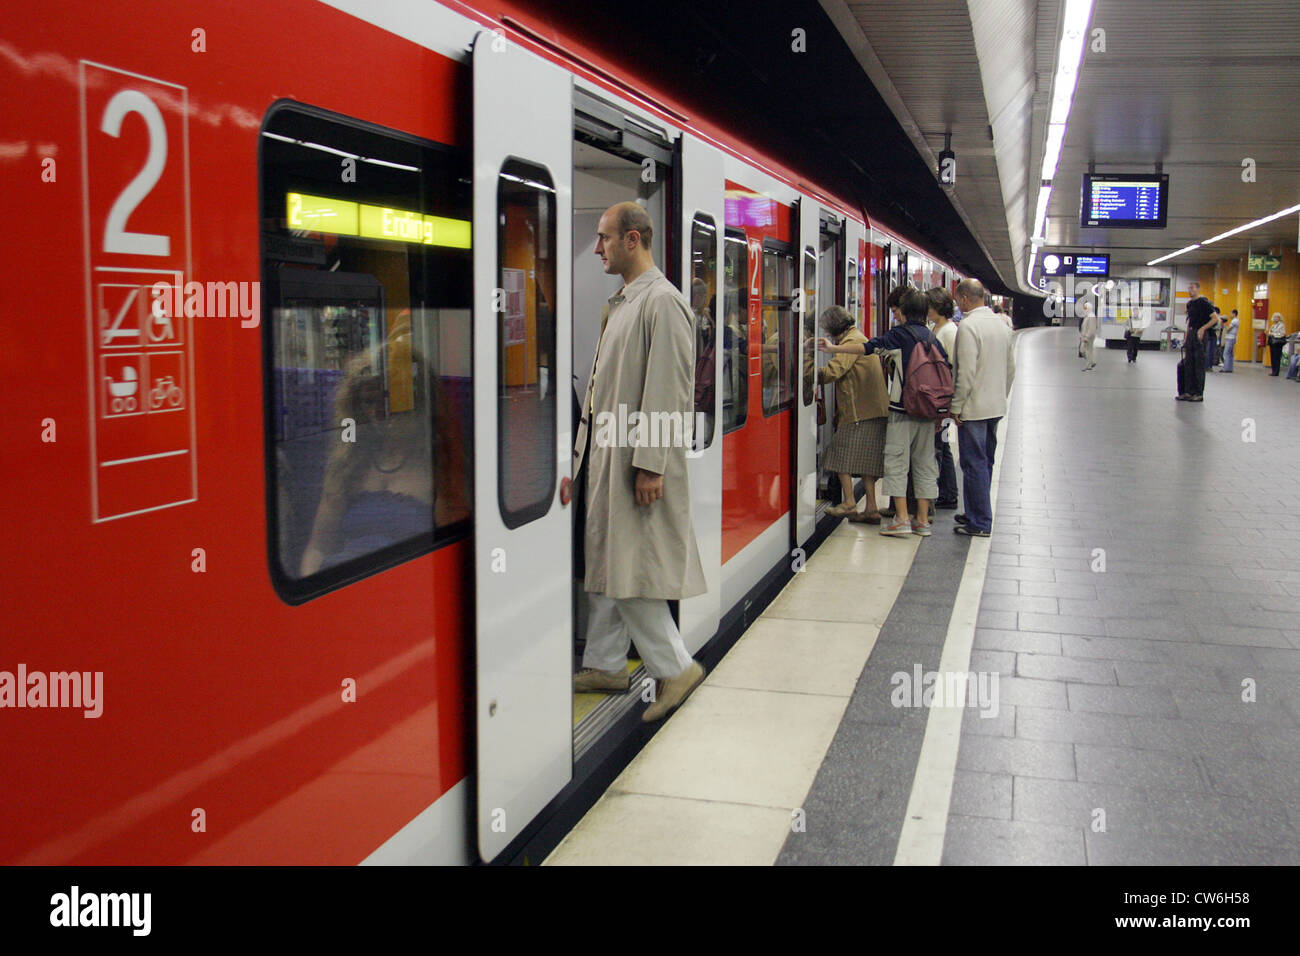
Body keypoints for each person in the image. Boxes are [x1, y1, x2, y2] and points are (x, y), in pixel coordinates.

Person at [572, 202, 706, 722]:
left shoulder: (662, 303)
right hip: (609, 454)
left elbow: (669, 390)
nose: (598, 248)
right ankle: (606, 663)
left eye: (604, 238)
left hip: (636, 461)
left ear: (633, 239)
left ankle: (675, 669)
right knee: (611, 561)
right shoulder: (626, 300)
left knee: (629, 570)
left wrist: (651, 464)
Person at [820, 288, 946, 537]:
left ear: (906, 311)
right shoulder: (932, 338)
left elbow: (867, 348)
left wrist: (833, 350)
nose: (895, 315)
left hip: (903, 408)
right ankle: (922, 520)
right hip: (929, 411)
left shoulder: (900, 335)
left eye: (897, 310)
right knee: (923, 464)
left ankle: (900, 518)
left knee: (897, 463)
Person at [950, 279, 1015, 538]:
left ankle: (980, 522)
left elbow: (965, 372)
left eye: (958, 299)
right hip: (995, 406)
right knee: (985, 462)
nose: (957, 303)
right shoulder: (1001, 325)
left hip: (974, 408)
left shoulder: (968, 327)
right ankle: (975, 512)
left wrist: (956, 406)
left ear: (966, 298)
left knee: (973, 464)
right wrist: (1002, 395)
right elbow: (1011, 368)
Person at [816, 305, 888, 524]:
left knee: (837, 454)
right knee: (867, 462)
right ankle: (872, 508)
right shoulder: (858, 337)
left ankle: (849, 502)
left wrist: (805, 371)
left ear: (834, 329)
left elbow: (833, 371)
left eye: (827, 331)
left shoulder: (851, 343)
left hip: (860, 412)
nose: (828, 336)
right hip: (873, 410)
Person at [926, 287, 959, 509]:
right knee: (940, 445)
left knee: (942, 446)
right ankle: (946, 492)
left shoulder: (949, 332)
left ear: (937, 307)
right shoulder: (936, 327)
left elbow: (953, 368)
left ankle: (948, 494)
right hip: (935, 400)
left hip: (942, 401)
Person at [1177, 294, 1214, 401]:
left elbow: (1215, 319)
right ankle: (1188, 391)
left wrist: (1202, 329)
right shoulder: (1190, 306)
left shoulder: (1205, 307)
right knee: (1188, 364)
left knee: (1198, 365)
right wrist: (1186, 338)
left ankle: (1198, 393)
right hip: (1192, 336)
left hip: (1200, 336)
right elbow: (1189, 323)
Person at [1079, 301, 1098, 370]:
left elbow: (1092, 328)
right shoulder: (1087, 315)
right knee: (1085, 350)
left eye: (1085, 307)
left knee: (1086, 350)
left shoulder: (1091, 316)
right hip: (1085, 336)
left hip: (1089, 337)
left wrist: (1087, 337)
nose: (1084, 309)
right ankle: (1092, 362)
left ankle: (1089, 365)